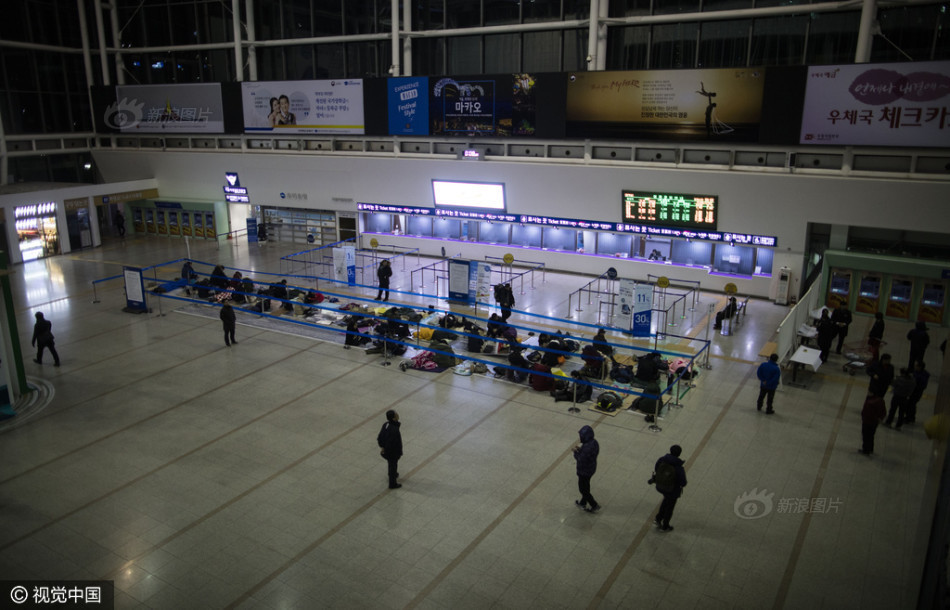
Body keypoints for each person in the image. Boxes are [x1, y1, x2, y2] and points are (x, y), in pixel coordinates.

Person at [651, 445, 687, 531]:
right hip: (672, 490)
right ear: (679, 454)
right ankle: (665, 526)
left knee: (666, 500)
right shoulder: (678, 467)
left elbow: (656, 468)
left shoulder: (662, 459)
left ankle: (658, 518)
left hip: (660, 485)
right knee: (670, 507)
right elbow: (683, 482)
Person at [572, 425, 600, 513]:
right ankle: (582, 503)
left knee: (583, 489)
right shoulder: (594, 442)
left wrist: (575, 453)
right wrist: (580, 450)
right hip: (591, 468)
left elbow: (581, 458)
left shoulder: (587, 447)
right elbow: (588, 455)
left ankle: (594, 505)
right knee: (586, 486)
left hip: (584, 471)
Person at [377, 410, 402, 489]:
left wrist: (382, 446)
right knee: (392, 465)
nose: (398, 414)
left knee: (392, 465)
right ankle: (392, 483)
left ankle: (393, 474)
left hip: (387, 450)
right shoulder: (394, 429)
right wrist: (397, 452)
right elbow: (393, 443)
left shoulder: (386, 424)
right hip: (392, 452)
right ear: (394, 418)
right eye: (396, 414)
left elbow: (380, 437)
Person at [906, 361, 930, 425]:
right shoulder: (917, 372)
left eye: (916, 365)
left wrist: (913, 378)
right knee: (911, 405)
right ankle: (911, 417)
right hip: (913, 392)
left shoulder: (922, 375)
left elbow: (921, 385)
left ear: (920, 367)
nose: (915, 366)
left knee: (911, 405)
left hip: (916, 393)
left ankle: (909, 418)